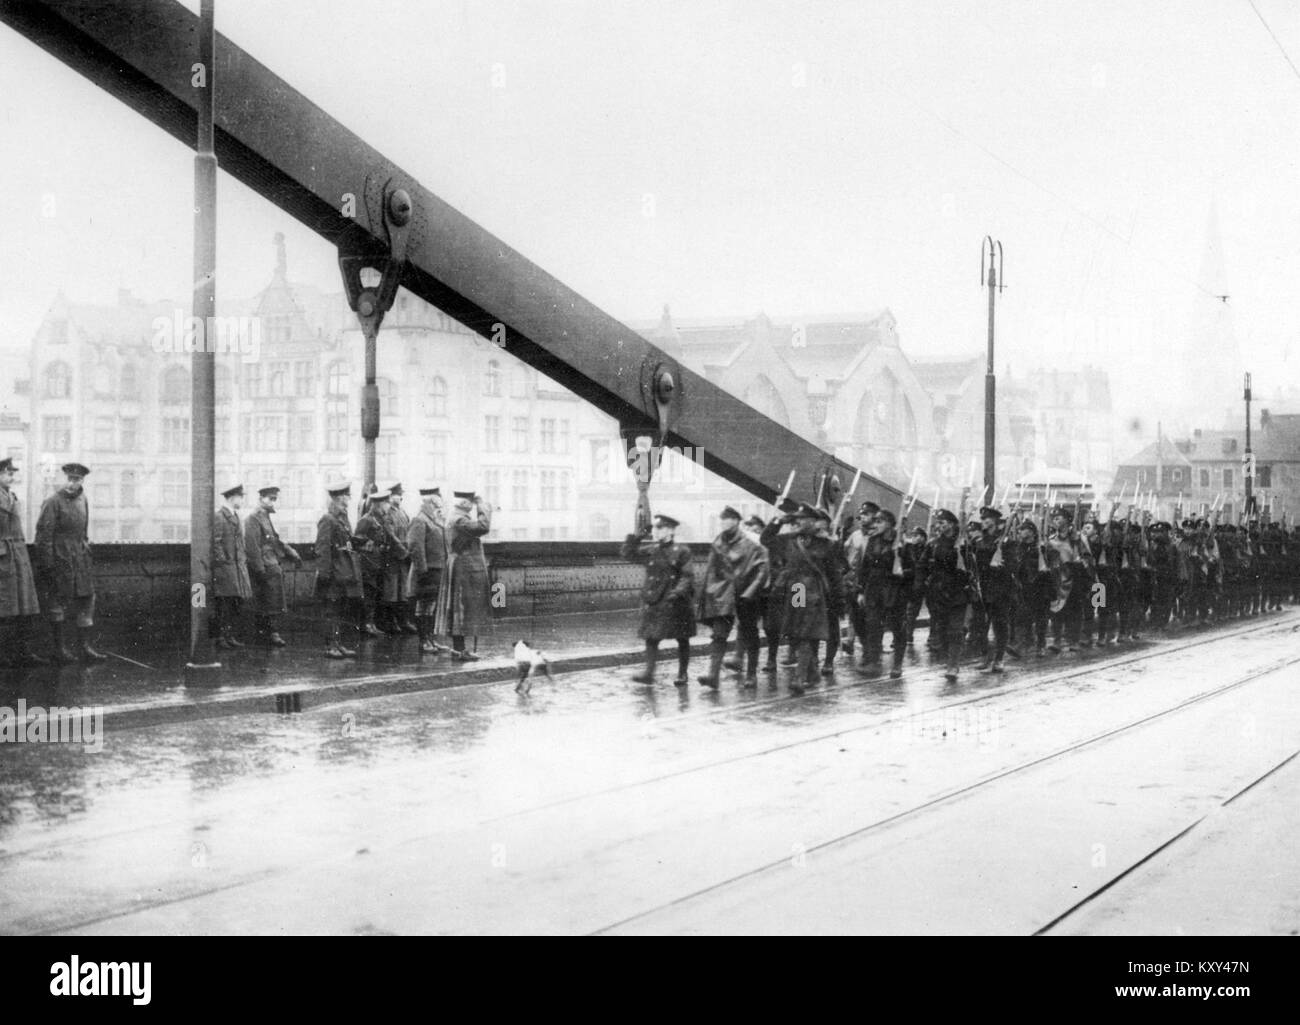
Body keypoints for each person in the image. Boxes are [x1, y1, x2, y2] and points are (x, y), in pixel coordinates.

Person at [760, 503, 846, 693]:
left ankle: (799, 678)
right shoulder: (788, 540)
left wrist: (840, 601)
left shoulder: (827, 544)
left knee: (806, 633)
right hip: (796, 590)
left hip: (815, 592)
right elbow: (765, 539)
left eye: (802, 519)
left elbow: (835, 575)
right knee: (798, 631)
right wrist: (779, 521)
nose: (798, 522)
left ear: (813, 522)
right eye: (796, 519)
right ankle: (813, 671)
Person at [34, 462, 104, 663]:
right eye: (70, 479)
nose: (73, 483)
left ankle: (84, 648)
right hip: (60, 558)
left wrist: (85, 551)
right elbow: (43, 537)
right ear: (63, 479)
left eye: (77, 479)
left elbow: (84, 533)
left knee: (86, 600)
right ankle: (59, 650)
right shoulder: (52, 502)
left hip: (80, 559)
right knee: (57, 602)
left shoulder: (83, 500)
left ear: (83, 481)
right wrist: (47, 564)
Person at [696, 505, 769, 689]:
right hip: (724, 596)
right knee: (719, 635)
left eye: (727, 519)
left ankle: (751, 674)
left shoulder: (751, 543)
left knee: (750, 633)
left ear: (736, 521)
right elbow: (711, 570)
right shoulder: (718, 542)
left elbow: (763, 569)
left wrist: (751, 592)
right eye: (722, 519)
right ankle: (713, 675)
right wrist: (709, 593)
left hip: (747, 596)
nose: (723, 522)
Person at [621, 512, 696, 685]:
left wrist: (677, 592)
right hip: (654, 599)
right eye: (655, 527)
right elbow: (628, 554)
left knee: (682, 638)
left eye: (660, 527)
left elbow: (687, 576)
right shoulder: (652, 550)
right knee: (651, 637)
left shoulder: (682, 551)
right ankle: (649, 673)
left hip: (675, 601)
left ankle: (682, 673)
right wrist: (638, 536)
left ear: (670, 530)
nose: (656, 531)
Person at [436, 490, 494, 661]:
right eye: (471, 502)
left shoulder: (455, 517)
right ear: (466, 503)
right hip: (464, 569)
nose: (472, 506)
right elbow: (483, 527)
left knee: (457, 609)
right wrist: (483, 506)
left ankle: (459, 648)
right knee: (460, 609)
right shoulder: (460, 520)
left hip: (459, 567)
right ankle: (460, 650)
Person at [0, 457, 47, 667]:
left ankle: (23, 653)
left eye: (12, 473)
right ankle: (6, 655)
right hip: (3, 555)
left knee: (23, 606)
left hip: (17, 554)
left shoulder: (11, 495)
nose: (11, 477)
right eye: (7, 473)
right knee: (5, 608)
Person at [244, 484, 302, 646]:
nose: (272, 502)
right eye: (270, 499)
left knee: (273, 600)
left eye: (275, 499)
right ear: (261, 498)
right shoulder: (253, 518)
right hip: (264, 566)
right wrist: (260, 569)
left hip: (271, 563)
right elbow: (252, 546)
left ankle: (269, 633)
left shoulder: (264, 517)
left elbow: (275, 539)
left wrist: (291, 552)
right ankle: (269, 633)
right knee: (268, 600)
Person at [857, 507, 910, 679]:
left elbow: (913, 570)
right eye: (875, 521)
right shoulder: (873, 541)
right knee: (873, 626)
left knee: (897, 627)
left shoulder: (901, 543)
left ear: (889, 524)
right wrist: (861, 591)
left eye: (879, 521)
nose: (876, 525)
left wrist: (902, 571)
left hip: (894, 591)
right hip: (874, 590)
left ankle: (897, 664)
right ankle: (874, 662)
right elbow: (864, 567)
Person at [918, 508, 970, 684]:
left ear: (952, 525)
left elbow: (971, 568)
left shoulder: (963, 544)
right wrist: (920, 586)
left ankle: (953, 665)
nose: (939, 526)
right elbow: (922, 566)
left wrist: (962, 555)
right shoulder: (932, 544)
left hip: (957, 592)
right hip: (937, 594)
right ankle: (949, 658)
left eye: (942, 523)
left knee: (955, 630)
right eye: (937, 523)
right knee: (943, 629)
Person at [314, 480, 363, 659]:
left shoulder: (341, 518)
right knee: (331, 611)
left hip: (343, 573)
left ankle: (338, 644)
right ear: (339, 498)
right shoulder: (328, 519)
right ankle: (330, 646)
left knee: (339, 609)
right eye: (346, 497)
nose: (348, 500)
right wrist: (325, 574)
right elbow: (322, 548)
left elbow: (347, 542)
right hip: (333, 573)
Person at [356, 489, 410, 636]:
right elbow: (356, 540)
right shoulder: (366, 520)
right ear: (378, 504)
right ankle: (367, 624)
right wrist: (368, 544)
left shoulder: (381, 520)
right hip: (369, 562)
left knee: (376, 594)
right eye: (386, 503)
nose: (388, 506)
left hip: (380, 561)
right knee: (369, 594)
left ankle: (372, 623)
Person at [406, 486, 451, 655]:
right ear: (429, 502)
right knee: (423, 607)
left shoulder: (433, 521)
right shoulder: (420, 520)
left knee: (431, 607)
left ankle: (430, 639)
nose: (438, 507)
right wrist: (422, 570)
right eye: (436, 503)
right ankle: (424, 641)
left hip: (436, 571)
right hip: (426, 572)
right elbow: (415, 546)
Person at [211, 484, 252, 649]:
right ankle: (221, 638)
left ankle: (229, 636)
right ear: (231, 498)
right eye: (240, 497)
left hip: (236, 567)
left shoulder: (235, 516)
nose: (242, 500)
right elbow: (216, 541)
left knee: (234, 603)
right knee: (223, 604)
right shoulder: (220, 516)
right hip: (226, 568)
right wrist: (224, 561)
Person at [385, 482, 419, 635]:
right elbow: (391, 536)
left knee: (403, 590)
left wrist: (409, 551)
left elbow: (410, 533)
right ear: (390, 496)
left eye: (400, 496)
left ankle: (403, 621)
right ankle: (391, 622)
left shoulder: (403, 513)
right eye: (396, 495)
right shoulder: (388, 514)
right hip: (393, 557)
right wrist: (404, 552)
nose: (398, 498)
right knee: (392, 590)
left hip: (404, 558)